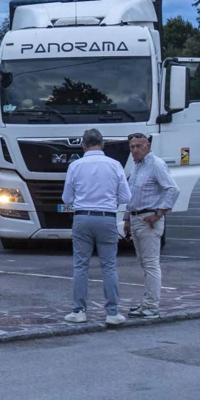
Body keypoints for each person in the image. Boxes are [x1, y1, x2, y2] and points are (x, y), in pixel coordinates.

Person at [61, 128, 131, 326]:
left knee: (80, 265)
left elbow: (67, 198)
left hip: (82, 217)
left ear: (83, 145)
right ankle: (112, 312)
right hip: (107, 217)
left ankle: (79, 310)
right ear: (103, 144)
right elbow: (126, 197)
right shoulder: (115, 165)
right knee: (109, 266)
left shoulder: (75, 166)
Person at [123, 133, 180, 319]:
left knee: (151, 264)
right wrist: (127, 218)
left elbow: (172, 189)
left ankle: (152, 306)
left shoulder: (156, 164)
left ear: (147, 146)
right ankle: (146, 303)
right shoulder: (137, 166)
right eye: (132, 146)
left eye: (139, 146)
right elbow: (132, 194)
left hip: (148, 219)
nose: (135, 150)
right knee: (144, 263)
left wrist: (159, 213)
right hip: (136, 217)